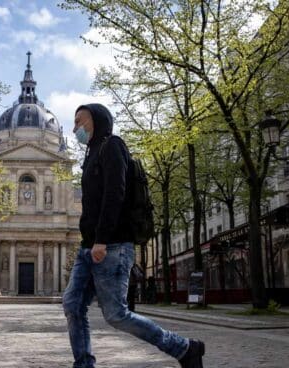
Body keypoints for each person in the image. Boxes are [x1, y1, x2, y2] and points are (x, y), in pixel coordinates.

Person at [63, 104, 205, 368]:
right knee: (72, 305)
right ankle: (83, 364)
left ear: (96, 119)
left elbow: (115, 194)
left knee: (116, 315)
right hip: (89, 247)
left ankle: (185, 348)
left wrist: (102, 239)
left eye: (79, 121)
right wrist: (89, 240)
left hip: (111, 245)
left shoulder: (112, 146)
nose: (75, 128)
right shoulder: (91, 153)